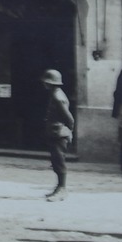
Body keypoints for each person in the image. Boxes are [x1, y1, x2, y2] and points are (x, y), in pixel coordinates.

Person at [40, 69, 75, 200]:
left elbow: (69, 118)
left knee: (59, 161)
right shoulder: (56, 93)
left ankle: (62, 189)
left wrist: (69, 131)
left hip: (59, 133)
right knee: (56, 161)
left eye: (46, 82)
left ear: (50, 83)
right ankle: (59, 187)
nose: (44, 84)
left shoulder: (57, 97)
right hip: (55, 132)